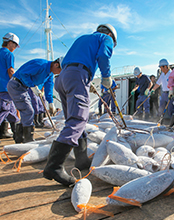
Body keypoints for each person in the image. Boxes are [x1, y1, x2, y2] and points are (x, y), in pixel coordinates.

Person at [43, 24, 117, 186]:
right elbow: (103, 56)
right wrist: (106, 77)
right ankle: (54, 167)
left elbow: (76, 60)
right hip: (77, 75)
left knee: (75, 120)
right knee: (78, 119)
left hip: (63, 78)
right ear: (110, 34)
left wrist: (85, 79)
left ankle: (81, 160)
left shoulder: (83, 38)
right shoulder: (106, 38)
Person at [7, 58, 60, 143]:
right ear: (56, 65)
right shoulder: (40, 64)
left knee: (27, 112)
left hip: (24, 88)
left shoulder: (50, 74)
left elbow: (49, 86)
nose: (59, 73)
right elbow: (23, 73)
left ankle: (19, 138)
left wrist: (50, 102)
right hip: (16, 85)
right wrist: (32, 86)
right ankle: (28, 139)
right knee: (28, 111)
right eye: (60, 70)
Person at [0, 33, 20, 139]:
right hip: (4, 87)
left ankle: (17, 134)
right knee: (4, 110)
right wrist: (16, 84)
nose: (15, 48)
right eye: (15, 45)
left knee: (11, 110)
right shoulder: (8, 54)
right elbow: (11, 70)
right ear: (10, 43)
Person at [151, 59, 174, 124]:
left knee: (170, 109)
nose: (160, 69)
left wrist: (171, 91)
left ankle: (172, 124)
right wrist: (153, 89)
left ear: (165, 66)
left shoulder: (171, 73)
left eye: (161, 67)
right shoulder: (163, 74)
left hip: (170, 94)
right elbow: (158, 83)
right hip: (164, 94)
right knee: (160, 109)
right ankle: (159, 122)